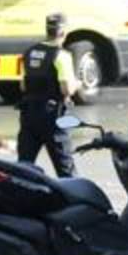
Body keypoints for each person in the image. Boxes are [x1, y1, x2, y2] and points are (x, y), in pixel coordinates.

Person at [16, 13, 80, 178]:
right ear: (64, 33)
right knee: (66, 170)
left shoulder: (29, 53)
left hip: (29, 115)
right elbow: (66, 89)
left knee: (24, 166)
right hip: (53, 118)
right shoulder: (61, 56)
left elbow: (23, 85)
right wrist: (78, 83)